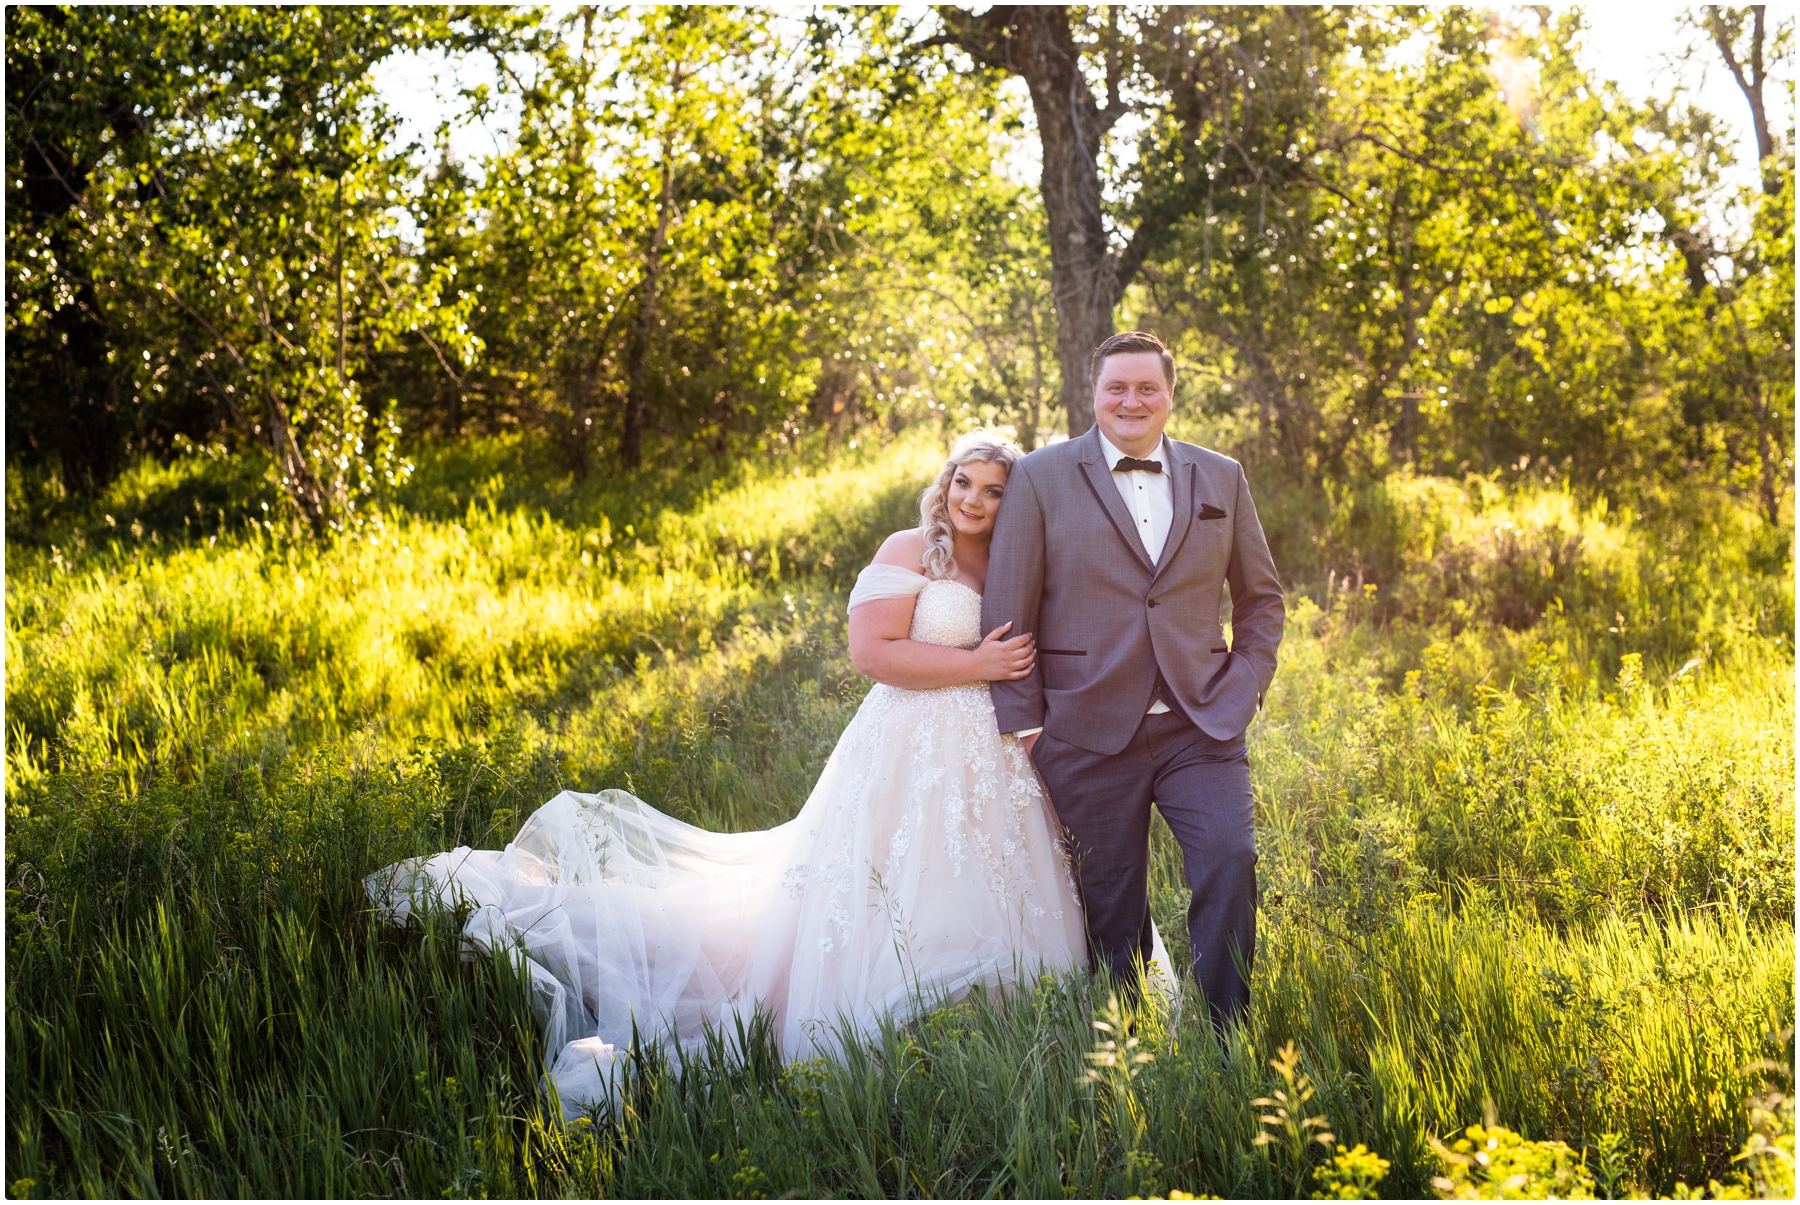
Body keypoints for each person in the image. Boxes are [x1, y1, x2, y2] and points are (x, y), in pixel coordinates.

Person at [367, 430, 1094, 1117]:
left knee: (977, 875)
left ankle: (986, 1012)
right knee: (882, 881)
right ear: (946, 483)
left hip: (986, 754)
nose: (972, 499)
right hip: (905, 747)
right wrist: (976, 665)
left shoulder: (1009, 560)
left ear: (1014, 499)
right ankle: (869, 1007)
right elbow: (872, 653)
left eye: (993, 490)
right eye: (963, 481)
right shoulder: (913, 548)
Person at [982, 330, 1285, 1027]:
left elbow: (1262, 599)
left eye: (1147, 387)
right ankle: (1123, 1043)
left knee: (1230, 858)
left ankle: (1222, 1036)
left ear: (1170, 395)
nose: (1131, 399)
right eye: (1117, 386)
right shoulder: (1041, 475)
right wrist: (1026, 723)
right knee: (1109, 909)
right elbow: (1009, 605)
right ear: (1094, 393)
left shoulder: (1221, 476)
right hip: (1085, 729)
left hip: (1200, 722)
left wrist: (1246, 686)